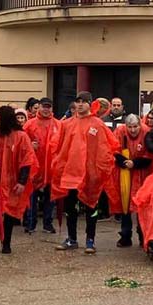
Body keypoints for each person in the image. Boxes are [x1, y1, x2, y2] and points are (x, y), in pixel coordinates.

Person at [50, 91, 115, 254]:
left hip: (90, 174)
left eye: (84, 102)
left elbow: (106, 148)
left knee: (91, 206)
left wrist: (99, 170)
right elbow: (58, 146)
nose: (80, 104)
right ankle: (72, 239)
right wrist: (59, 166)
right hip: (71, 173)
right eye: (78, 101)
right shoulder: (66, 124)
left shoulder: (97, 124)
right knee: (70, 208)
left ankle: (90, 239)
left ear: (90, 104)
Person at [0, 105, 36, 255]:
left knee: (9, 211)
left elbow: (27, 160)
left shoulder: (21, 136)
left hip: (13, 181)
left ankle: (6, 241)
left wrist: (22, 181)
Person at [112, 113, 153, 248]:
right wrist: (125, 162)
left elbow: (150, 155)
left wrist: (135, 163)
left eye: (135, 126)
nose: (132, 130)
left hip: (142, 172)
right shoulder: (119, 131)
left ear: (139, 124)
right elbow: (113, 149)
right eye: (130, 127)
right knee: (125, 205)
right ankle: (125, 236)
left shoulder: (147, 131)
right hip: (124, 171)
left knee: (143, 205)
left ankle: (143, 236)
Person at [23, 98, 60, 234]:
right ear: (39, 108)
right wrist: (29, 146)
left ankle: (48, 223)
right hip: (34, 166)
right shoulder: (29, 124)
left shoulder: (58, 125)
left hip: (51, 167)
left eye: (48, 107)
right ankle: (30, 223)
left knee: (50, 198)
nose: (46, 109)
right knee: (31, 197)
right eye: (44, 107)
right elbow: (21, 141)